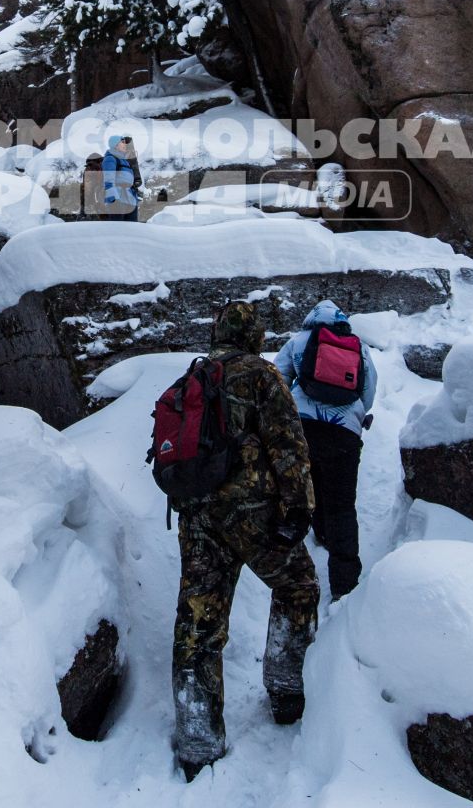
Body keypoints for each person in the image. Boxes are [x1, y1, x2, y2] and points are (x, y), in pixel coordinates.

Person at [171, 300, 319, 780]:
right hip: (252, 516)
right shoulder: (263, 375)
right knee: (299, 587)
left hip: (197, 518)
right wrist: (299, 507)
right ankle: (285, 688)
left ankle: (198, 738)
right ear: (254, 336)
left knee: (198, 626)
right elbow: (288, 442)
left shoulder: (193, 377)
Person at [275, 300, 377, 599]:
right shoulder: (358, 347)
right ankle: (344, 587)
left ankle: (294, 577)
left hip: (301, 429)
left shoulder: (298, 341)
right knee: (342, 506)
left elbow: (279, 380)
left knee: (301, 493)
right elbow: (367, 392)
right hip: (344, 433)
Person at [99, 133, 141, 220]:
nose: (125, 144)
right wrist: (113, 198)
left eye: (125, 142)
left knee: (132, 228)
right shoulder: (110, 158)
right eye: (122, 142)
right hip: (118, 198)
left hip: (129, 198)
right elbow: (108, 180)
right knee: (117, 227)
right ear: (115, 145)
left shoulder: (124, 160)